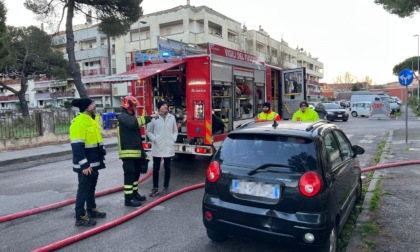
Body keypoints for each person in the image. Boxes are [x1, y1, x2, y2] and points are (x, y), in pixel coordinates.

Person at [70, 98, 106, 227]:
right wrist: (84, 164)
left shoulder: (92, 120)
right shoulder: (78, 122)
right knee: (83, 190)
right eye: (91, 104)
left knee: (91, 188)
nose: (94, 105)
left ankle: (91, 210)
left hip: (94, 163)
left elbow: (97, 141)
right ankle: (80, 217)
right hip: (86, 165)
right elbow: (77, 146)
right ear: (85, 107)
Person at [117, 96, 158, 207]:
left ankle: (134, 194)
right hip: (127, 153)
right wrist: (150, 117)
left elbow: (137, 139)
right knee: (129, 176)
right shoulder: (123, 117)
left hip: (135, 153)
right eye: (134, 106)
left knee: (135, 176)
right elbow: (134, 123)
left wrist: (143, 154)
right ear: (129, 106)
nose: (135, 108)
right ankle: (128, 199)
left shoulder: (129, 117)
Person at [146, 101, 178, 197]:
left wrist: (173, 138)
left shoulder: (171, 118)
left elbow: (175, 130)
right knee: (156, 168)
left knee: (167, 168)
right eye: (163, 105)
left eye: (166, 105)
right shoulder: (154, 118)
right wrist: (154, 139)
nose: (165, 106)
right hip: (158, 146)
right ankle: (155, 188)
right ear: (159, 107)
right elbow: (149, 131)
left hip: (168, 146)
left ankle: (166, 187)